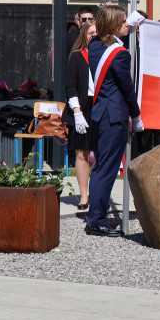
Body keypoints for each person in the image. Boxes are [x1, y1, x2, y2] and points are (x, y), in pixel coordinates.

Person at [85, 4, 143, 237]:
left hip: (101, 113)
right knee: (106, 170)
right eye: (122, 22)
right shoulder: (119, 54)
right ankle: (96, 220)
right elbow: (128, 89)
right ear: (112, 26)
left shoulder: (96, 45)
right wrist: (136, 115)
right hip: (114, 115)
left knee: (101, 167)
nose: (126, 24)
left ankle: (95, 216)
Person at [61, 20, 96, 211]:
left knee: (99, 153)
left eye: (97, 33)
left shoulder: (105, 54)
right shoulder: (77, 56)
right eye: (91, 32)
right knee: (81, 153)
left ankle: (98, 193)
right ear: (84, 34)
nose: (93, 36)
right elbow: (70, 86)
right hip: (81, 107)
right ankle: (84, 195)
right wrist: (77, 112)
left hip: (99, 107)